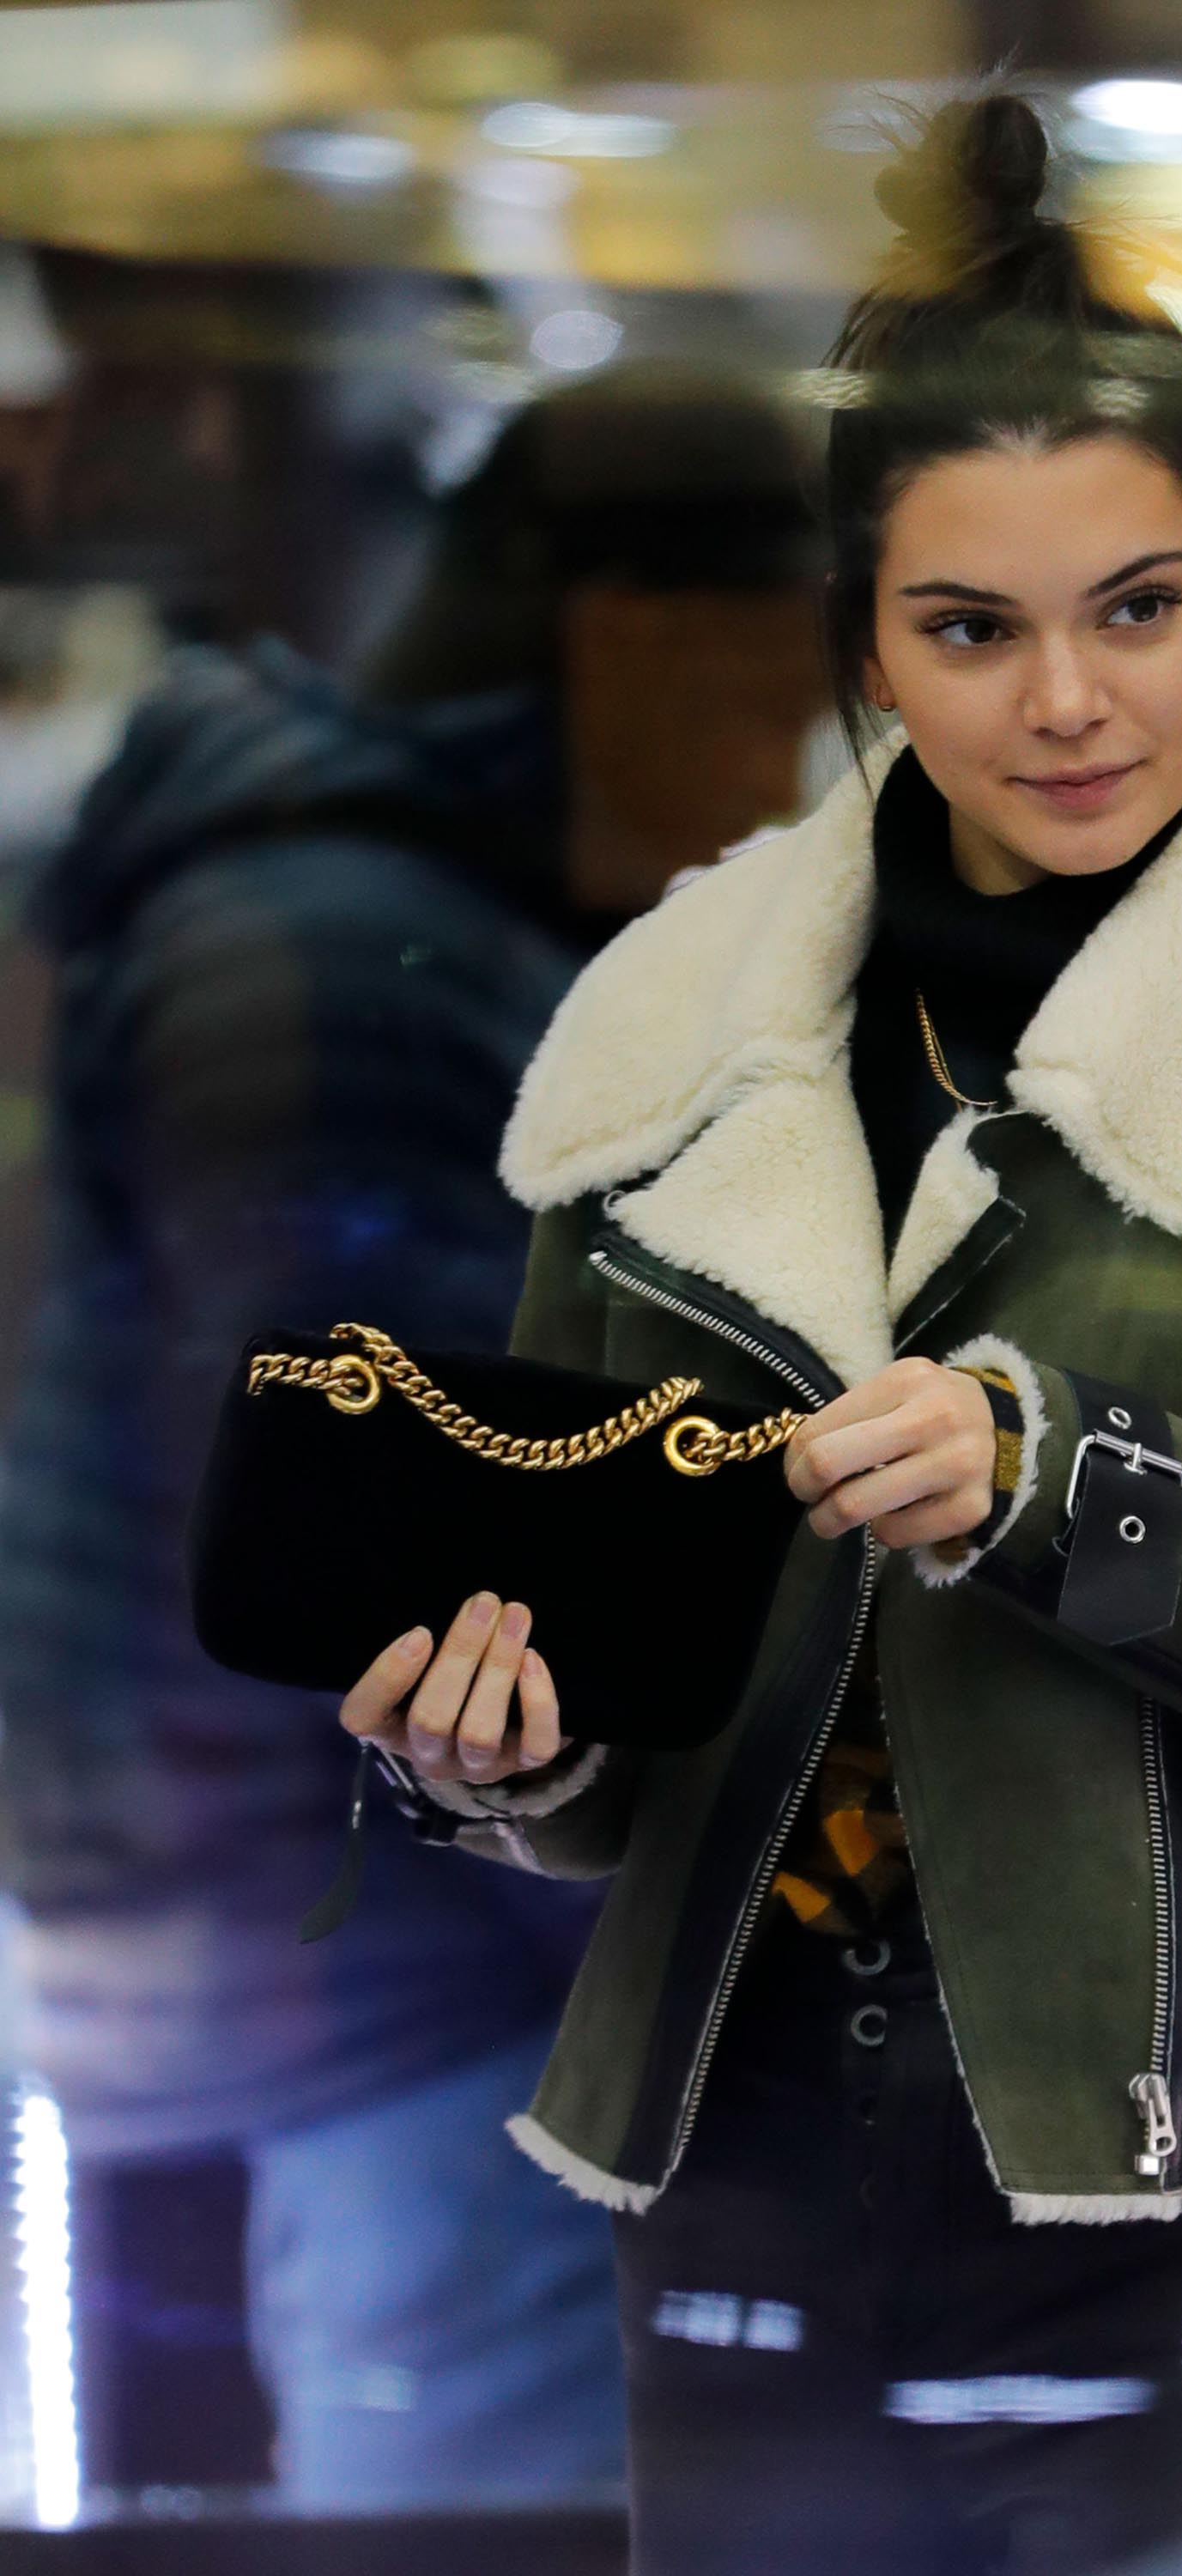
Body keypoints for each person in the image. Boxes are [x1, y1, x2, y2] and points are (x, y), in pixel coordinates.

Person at [332, 93, 1182, 2576]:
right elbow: (613, 1710)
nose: (1066, 701)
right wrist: (501, 1752)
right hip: (745, 2189)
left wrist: (1069, 1483)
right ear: (860, 636)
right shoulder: (682, 1041)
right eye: (969, 628)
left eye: (1138, 605)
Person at [0, 365, 827, 2503]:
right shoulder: (340, 952)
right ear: (629, 638)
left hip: (289, 1945)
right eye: (772, 700)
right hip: (360, 1977)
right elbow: (416, 1558)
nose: (786, 788)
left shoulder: (358, 906)